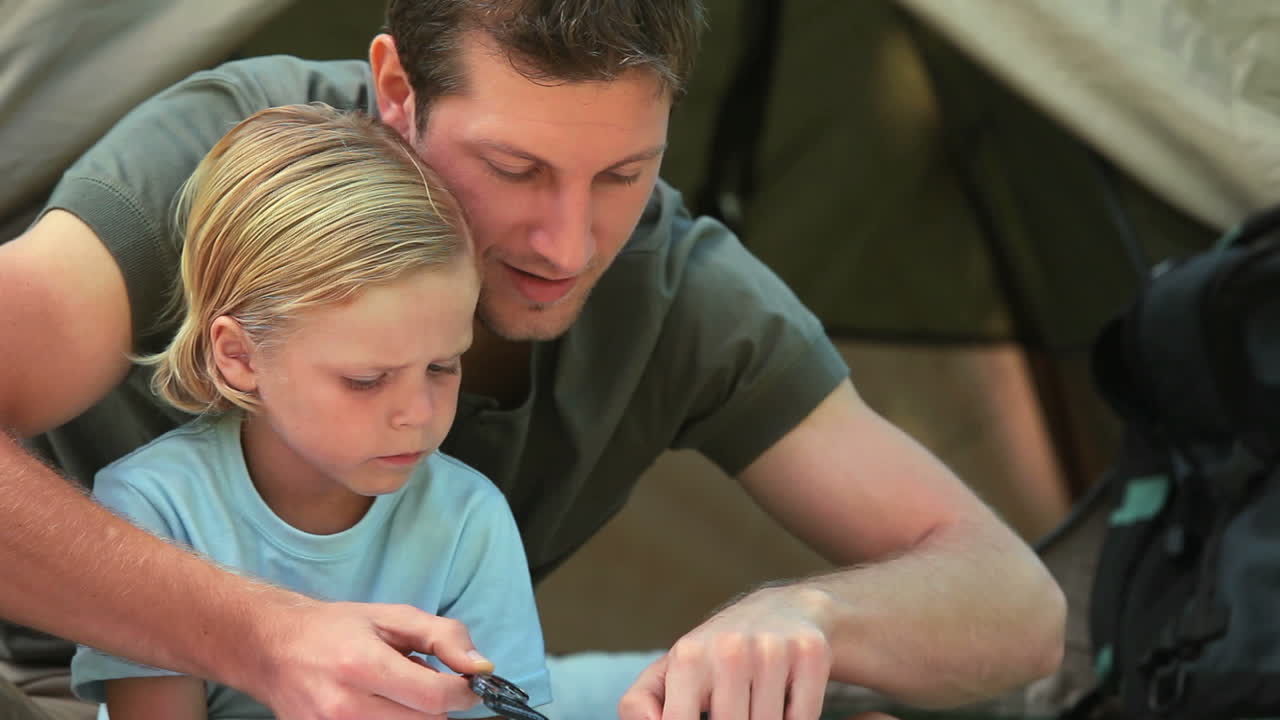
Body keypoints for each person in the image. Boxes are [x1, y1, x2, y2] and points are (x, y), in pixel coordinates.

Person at [0, 1, 1067, 719]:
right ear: (396, 90)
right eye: (513, 168)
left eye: (621, 174)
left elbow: (1014, 602)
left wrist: (809, 617)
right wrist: (260, 637)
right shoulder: (224, 171)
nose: (566, 245)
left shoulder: (673, 287)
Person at [64, 102, 549, 720]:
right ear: (239, 356)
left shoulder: (469, 523)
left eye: (443, 367)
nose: (417, 414)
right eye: (366, 380)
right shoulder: (153, 509)